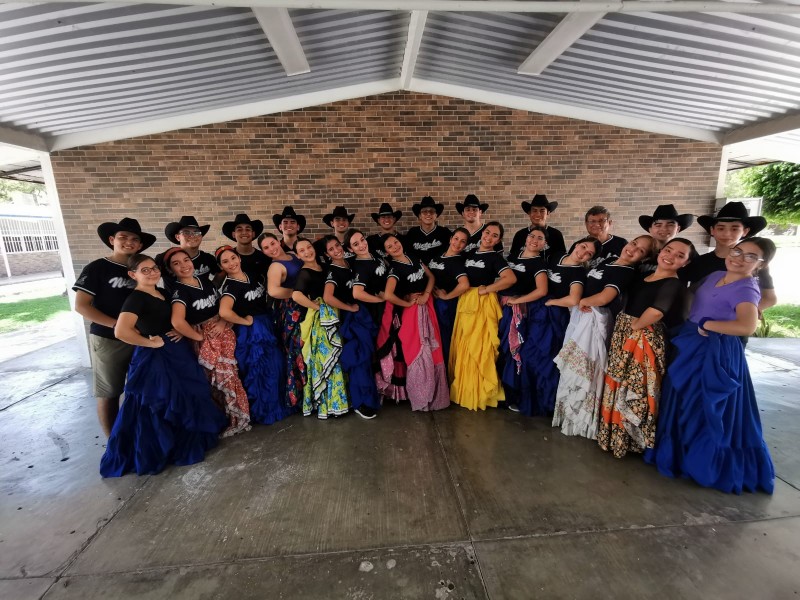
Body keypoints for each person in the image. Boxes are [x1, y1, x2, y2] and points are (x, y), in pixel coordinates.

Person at [647, 238, 776, 494]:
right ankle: (680, 455)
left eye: (750, 256)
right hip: (691, 342)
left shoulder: (746, 289)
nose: (739, 258)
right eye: (738, 251)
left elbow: (746, 326)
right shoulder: (715, 274)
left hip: (715, 350)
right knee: (681, 399)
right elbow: (691, 296)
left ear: (761, 265)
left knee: (705, 404)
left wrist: (708, 325)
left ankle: (705, 463)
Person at [100, 254, 226, 477]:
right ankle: (157, 449)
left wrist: (179, 329)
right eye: (144, 270)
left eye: (154, 268)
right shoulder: (135, 298)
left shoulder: (164, 293)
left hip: (177, 350)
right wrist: (149, 341)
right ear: (133, 274)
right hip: (155, 356)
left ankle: (182, 441)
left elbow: (176, 317)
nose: (151, 273)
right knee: (159, 401)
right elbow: (121, 331)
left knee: (188, 392)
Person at [597, 238, 696, 459]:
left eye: (680, 255)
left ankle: (630, 440)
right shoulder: (644, 275)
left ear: (686, 263)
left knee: (636, 387)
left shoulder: (673, 283)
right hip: (627, 331)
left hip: (643, 336)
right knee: (618, 380)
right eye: (668, 250)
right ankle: (615, 436)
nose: (670, 256)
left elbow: (657, 311)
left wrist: (635, 325)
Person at [552, 236, 654, 438]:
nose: (633, 250)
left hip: (593, 318)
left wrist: (582, 301)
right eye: (634, 243)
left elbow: (606, 296)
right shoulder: (609, 260)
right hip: (581, 315)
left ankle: (581, 422)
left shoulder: (626, 271)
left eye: (640, 251)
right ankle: (566, 414)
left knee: (584, 370)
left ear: (643, 258)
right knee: (571, 367)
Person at [73, 217, 154, 437]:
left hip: (141, 338)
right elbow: (81, 306)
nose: (129, 242)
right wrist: (117, 324)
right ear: (112, 240)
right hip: (109, 339)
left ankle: (138, 435)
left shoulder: (142, 269)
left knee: (141, 388)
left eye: (134, 239)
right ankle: (113, 441)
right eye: (123, 237)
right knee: (109, 392)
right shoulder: (98, 268)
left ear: (140, 245)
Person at [164, 247, 251, 437]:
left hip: (224, 330)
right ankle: (229, 419)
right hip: (207, 338)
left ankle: (239, 417)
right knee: (220, 379)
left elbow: (222, 306)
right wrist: (199, 337)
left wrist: (222, 321)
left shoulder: (204, 281)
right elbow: (177, 321)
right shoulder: (179, 291)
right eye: (176, 264)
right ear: (171, 270)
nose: (184, 265)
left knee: (232, 374)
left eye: (186, 260)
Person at [216, 246, 287, 425]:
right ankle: (263, 411)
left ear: (239, 258)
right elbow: (224, 311)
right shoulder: (231, 285)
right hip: (251, 331)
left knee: (275, 365)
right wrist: (245, 321)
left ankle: (278, 404)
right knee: (258, 370)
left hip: (267, 324)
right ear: (221, 266)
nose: (231, 263)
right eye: (225, 261)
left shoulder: (253, 276)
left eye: (233, 258)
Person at [449, 222, 516, 410]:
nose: (489, 237)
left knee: (481, 347)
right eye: (487, 232)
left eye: (495, 235)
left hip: (482, 302)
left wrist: (487, 289)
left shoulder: (495, 258)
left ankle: (482, 393)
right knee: (465, 347)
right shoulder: (469, 254)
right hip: (465, 302)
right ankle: (465, 390)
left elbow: (510, 279)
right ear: (482, 233)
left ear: (499, 240)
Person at [529, 237, 599, 416]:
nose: (583, 253)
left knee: (546, 356)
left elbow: (574, 299)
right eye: (583, 246)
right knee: (530, 353)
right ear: (576, 244)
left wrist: (553, 302)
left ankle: (546, 401)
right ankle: (530, 395)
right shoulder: (557, 256)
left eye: (588, 253)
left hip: (553, 315)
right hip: (538, 310)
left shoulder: (578, 274)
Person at [381, 234, 450, 411]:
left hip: (427, 306)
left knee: (434, 351)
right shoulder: (395, 269)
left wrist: (427, 294)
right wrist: (406, 303)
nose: (395, 246)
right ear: (387, 252)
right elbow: (388, 295)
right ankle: (421, 399)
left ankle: (436, 398)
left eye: (395, 242)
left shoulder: (412, 257)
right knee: (418, 351)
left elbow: (431, 277)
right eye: (390, 246)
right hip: (412, 313)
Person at [680, 201, 777, 316]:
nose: (726, 233)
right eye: (721, 228)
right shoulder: (699, 261)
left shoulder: (754, 265)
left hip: (733, 327)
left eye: (734, 229)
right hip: (699, 322)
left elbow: (770, 298)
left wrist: (744, 314)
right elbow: (687, 292)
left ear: (745, 231)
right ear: (712, 230)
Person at [322, 236, 380, 419]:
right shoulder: (333, 271)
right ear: (327, 254)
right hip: (352, 319)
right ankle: (361, 403)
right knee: (358, 359)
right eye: (331, 249)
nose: (336, 250)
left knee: (367, 357)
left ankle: (369, 396)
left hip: (363, 315)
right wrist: (349, 307)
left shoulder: (350, 263)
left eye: (337, 246)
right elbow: (328, 297)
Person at [292, 238, 349, 419]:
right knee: (328, 359)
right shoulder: (305, 272)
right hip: (322, 320)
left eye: (308, 247)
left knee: (339, 356)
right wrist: (317, 307)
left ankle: (341, 399)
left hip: (336, 313)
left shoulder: (325, 266)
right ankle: (330, 404)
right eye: (302, 251)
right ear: (298, 255)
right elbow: (296, 295)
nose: (307, 252)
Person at [497, 226, 549, 415]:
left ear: (544, 244)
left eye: (540, 238)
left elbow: (541, 291)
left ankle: (514, 395)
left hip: (517, 310)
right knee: (499, 350)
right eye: (532, 236)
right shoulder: (512, 258)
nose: (534, 240)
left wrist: (517, 300)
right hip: (500, 306)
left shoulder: (539, 264)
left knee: (513, 351)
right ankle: (499, 393)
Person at [261, 232, 306, 411]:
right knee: (298, 350)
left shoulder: (294, 255)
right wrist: (297, 293)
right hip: (293, 310)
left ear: (278, 242)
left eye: (272, 243)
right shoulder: (275, 267)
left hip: (306, 305)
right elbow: (273, 291)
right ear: (264, 252)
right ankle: (301, 396)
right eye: (266, 248)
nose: (271, 248)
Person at [429, 228, 470, 368]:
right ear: (450, 238)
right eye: (456, 238)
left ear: (465, 246)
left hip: (445, 307)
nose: (458, 243)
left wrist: (446, 297)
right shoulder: (439, 255)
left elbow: (464, 284)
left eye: (463, 242)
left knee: (444, 340)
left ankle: (447, 373)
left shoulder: (456, 261)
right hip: (432, 303)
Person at [157, 216, 218, 285]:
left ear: (201, 236)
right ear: (178, 237)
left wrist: (212, 289)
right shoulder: (163, 259)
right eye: (186, 232)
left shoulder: (208, 258)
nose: (192, 235)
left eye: (196, 232)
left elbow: (220, 273)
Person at [636, 205, 693, 276]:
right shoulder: (638, 251)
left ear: (678, 229)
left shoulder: (687, 254)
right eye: (658, 225)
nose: (664, 229)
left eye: (670, 225)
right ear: (650, 229)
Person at [507, 194, 566, 262]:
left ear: (548, 213)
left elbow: (562, 259)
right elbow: (512, 258)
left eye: (542, 211)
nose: (538, 214)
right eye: (534, 210)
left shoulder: (556, 234)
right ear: (529, 213)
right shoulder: (520, 234)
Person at [404, 196, 451, 265]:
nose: (428, 214)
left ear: (436, 215)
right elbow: (408, 255)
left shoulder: (444, 232)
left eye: (431, 211)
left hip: (440, 270)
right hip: (418, 271)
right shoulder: (412, 233)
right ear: (419, 215)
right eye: (424, 211)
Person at [222, 213, 269, 279]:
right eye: (239, 229)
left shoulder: (264, 258)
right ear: (233, 234)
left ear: (253, 234)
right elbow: (216, 283)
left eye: (247, 229)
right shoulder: (227, 258)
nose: (244, 232)